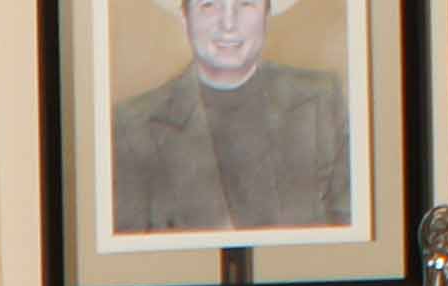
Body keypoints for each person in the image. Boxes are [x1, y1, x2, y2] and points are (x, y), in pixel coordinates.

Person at [111, 0, 352, 239]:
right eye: (209, 5)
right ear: (185, 18)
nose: (228, 24)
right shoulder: (132, 127)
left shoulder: (321, 102)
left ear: (266, 15)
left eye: (246, 4)